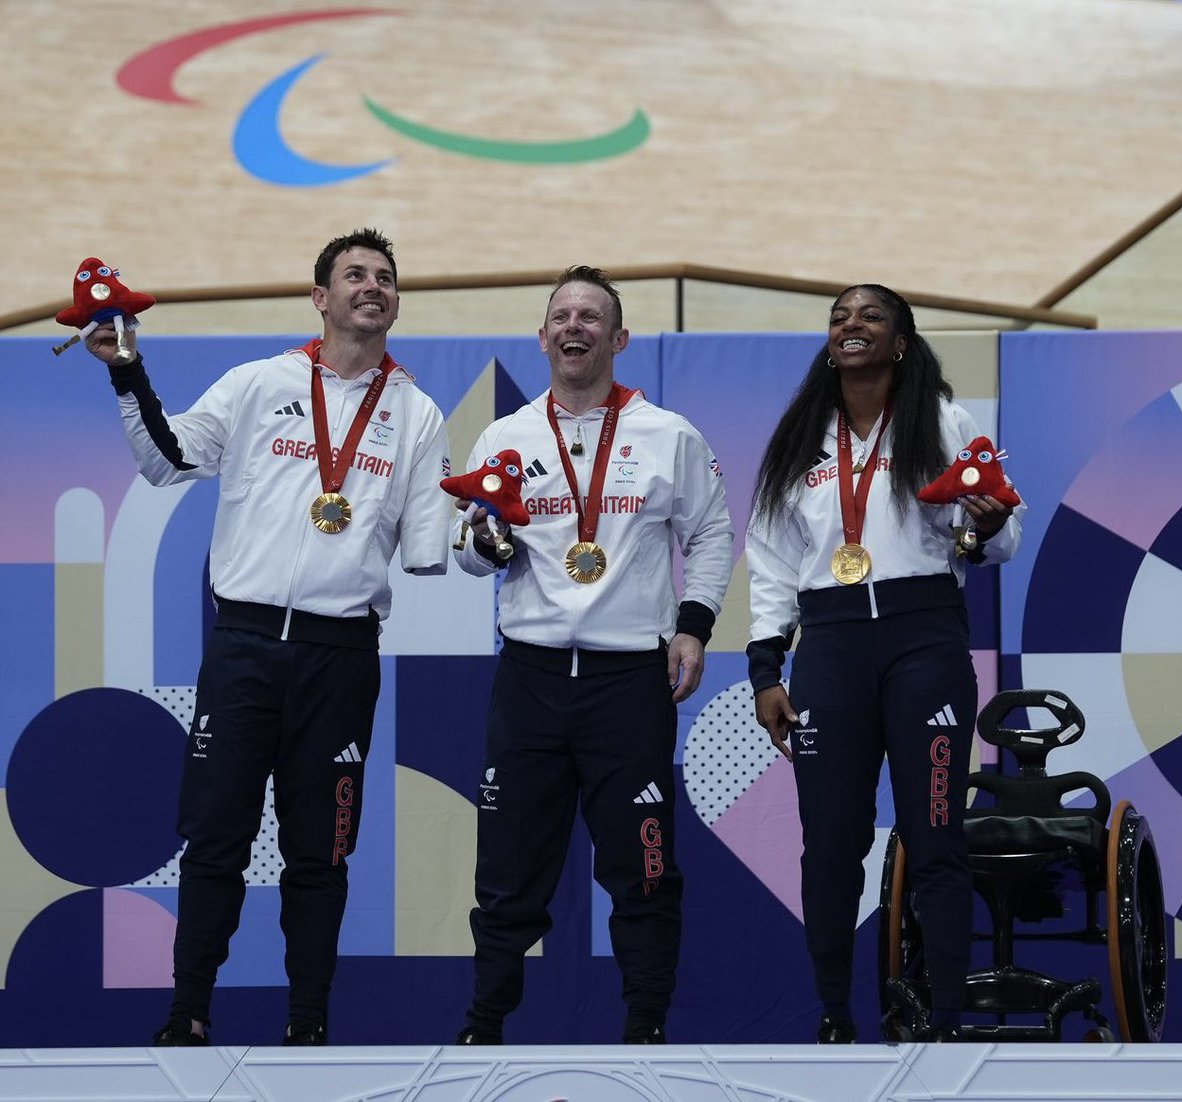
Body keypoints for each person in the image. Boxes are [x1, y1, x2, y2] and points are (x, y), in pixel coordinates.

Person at [84, 228, 450, 1046]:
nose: (372, 286)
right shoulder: (259, 384)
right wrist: (126, 370)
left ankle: (309, 1021)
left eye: (385, 277)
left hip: (341, 654)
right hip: (245, 645)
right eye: (354, 275)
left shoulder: (417, 413)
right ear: (319, 297)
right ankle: (187, 1011)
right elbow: (167, 459)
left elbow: (431, 553)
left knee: (320, 852)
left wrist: (489, 533)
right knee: (216, 836)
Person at [451, 265, 734, 1044]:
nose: (575, 328)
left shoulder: (669, 435)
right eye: (562, 317)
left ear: (619, 339)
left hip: (626, 684)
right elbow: (470, 554)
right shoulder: (504, 437)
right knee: (508, 869)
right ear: (543, 338)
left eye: (591, 317)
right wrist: (480, 539)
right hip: (531, 680)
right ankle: (483, 1029)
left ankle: (645, 1027)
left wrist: (694, 625)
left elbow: (711, 534)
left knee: (643, 869)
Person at [745, 284, 1024, 1043]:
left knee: (935, 831)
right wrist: (767, 669)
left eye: (870, 316)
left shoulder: (942, 421)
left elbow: (996, 537)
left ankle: (947, 1016)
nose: (851, 325)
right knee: (830, 840)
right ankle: (835, 1013)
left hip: (922, 639)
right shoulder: (802, 437)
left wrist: (985, 530)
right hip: (830, 649)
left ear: (901, 341)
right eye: (839, 317)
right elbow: (771, 562)